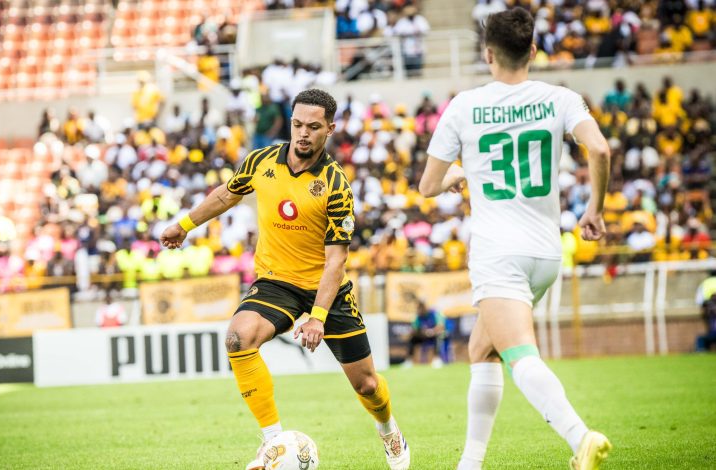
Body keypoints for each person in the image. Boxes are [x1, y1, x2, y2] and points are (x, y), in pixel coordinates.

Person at [160, 89, 410, 470]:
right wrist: (184, 225)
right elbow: (226, 195)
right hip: (276, 282)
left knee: (368, 386)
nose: (303, 134)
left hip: (325, 289)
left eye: (313, 127)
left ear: (330, 129)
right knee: (238, 338)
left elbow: (336, 262)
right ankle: (273, 442)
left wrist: (318, 318)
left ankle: (389, 430)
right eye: (297, 125)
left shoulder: (336, 185)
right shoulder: (261, 161)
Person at [418, 8, 612, 470]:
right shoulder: (560, 98)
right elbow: (600, 148)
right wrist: (594, 209)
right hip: (545, 252)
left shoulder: (464, 106)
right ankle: (470, 463)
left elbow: (427, 186)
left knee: (520, 355)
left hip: (498, 252)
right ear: (533, 51)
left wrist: (457, 176)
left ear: (488, 54)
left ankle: (582, 438)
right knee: (482, 349)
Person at [405, 298, 446, 367]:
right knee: (413, 339)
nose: (421, 308)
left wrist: (432, 331)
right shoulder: (418, 316)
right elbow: (414, 329)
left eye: (423, 306)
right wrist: (421, 332)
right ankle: (409, 361)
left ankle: (436, 359)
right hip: (422, 336)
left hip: (433, 335)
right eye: (420, 306)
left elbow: (441, 326)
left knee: (439, 336)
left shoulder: (434, 313)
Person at [695, 271, 716, 352]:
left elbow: (699, 300)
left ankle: (701, 349)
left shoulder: (705, 283)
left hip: (709, 310)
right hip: (711, 310)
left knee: (712, 331)